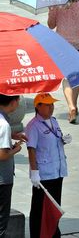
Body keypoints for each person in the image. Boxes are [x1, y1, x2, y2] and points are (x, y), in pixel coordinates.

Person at [26, 93, 70, 238]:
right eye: (47, 105)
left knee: (55, 207)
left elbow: (56, 138)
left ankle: (53, 233)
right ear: (38, 107)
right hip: (44, 175)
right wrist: (34, 171)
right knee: (41, 209)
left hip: (57, 171)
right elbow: (31, 149)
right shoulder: (33, 126)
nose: (51, 107)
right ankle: (39, 234)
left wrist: (63, 139)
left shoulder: (54, 121)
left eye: (52, 104)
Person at [48, 0, 79, 124]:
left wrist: (51, 10)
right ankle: (74, 105)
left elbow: (51, 25)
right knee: (77, 78)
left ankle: (71, 106)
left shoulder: (56, 5)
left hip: (62, 46)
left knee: (67, 78)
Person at [0, 95, 25, 238]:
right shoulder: (3, 125)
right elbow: (2, 155)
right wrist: (16, 149)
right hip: (2, 180)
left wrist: (12, 135)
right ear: (13, 102)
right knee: (1, 223)